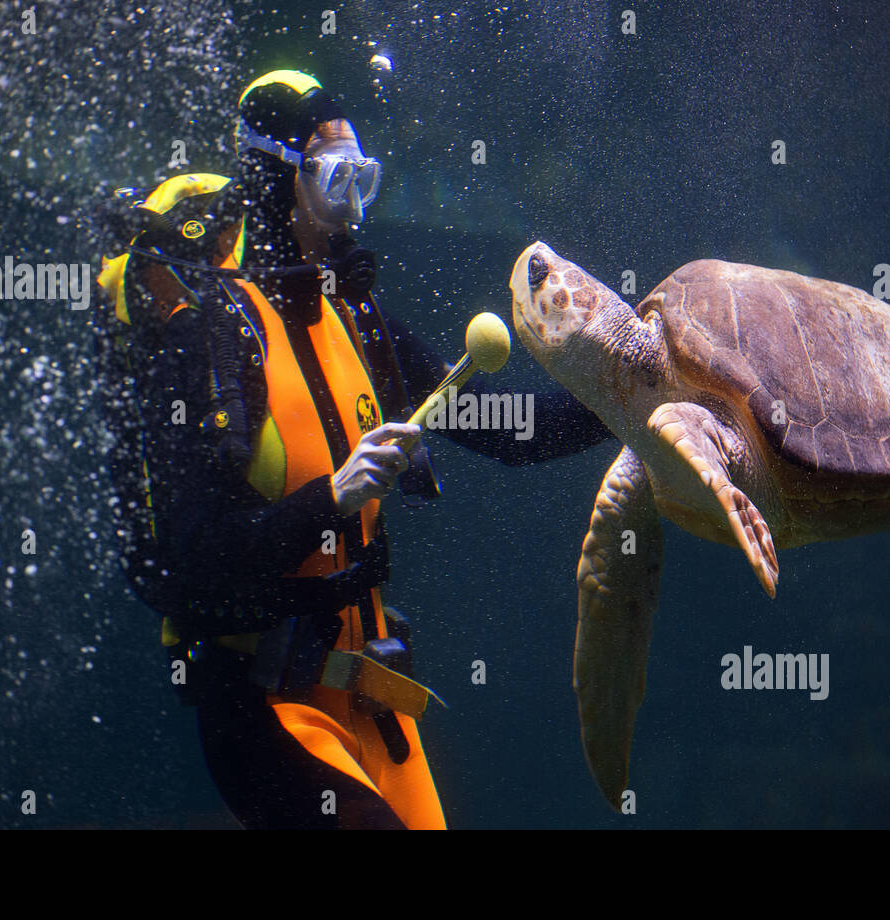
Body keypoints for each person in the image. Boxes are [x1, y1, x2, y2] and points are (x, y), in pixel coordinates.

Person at [96, 70, 611, 829]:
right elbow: (194, 558)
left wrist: (642, 390)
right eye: (336, 178)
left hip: (372, 701)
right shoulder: (208, 338)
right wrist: (332, 498)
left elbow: (511, 431)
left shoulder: (358, 322)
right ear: (279, 176)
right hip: (266, 707)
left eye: (363, 177)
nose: (355, 204)